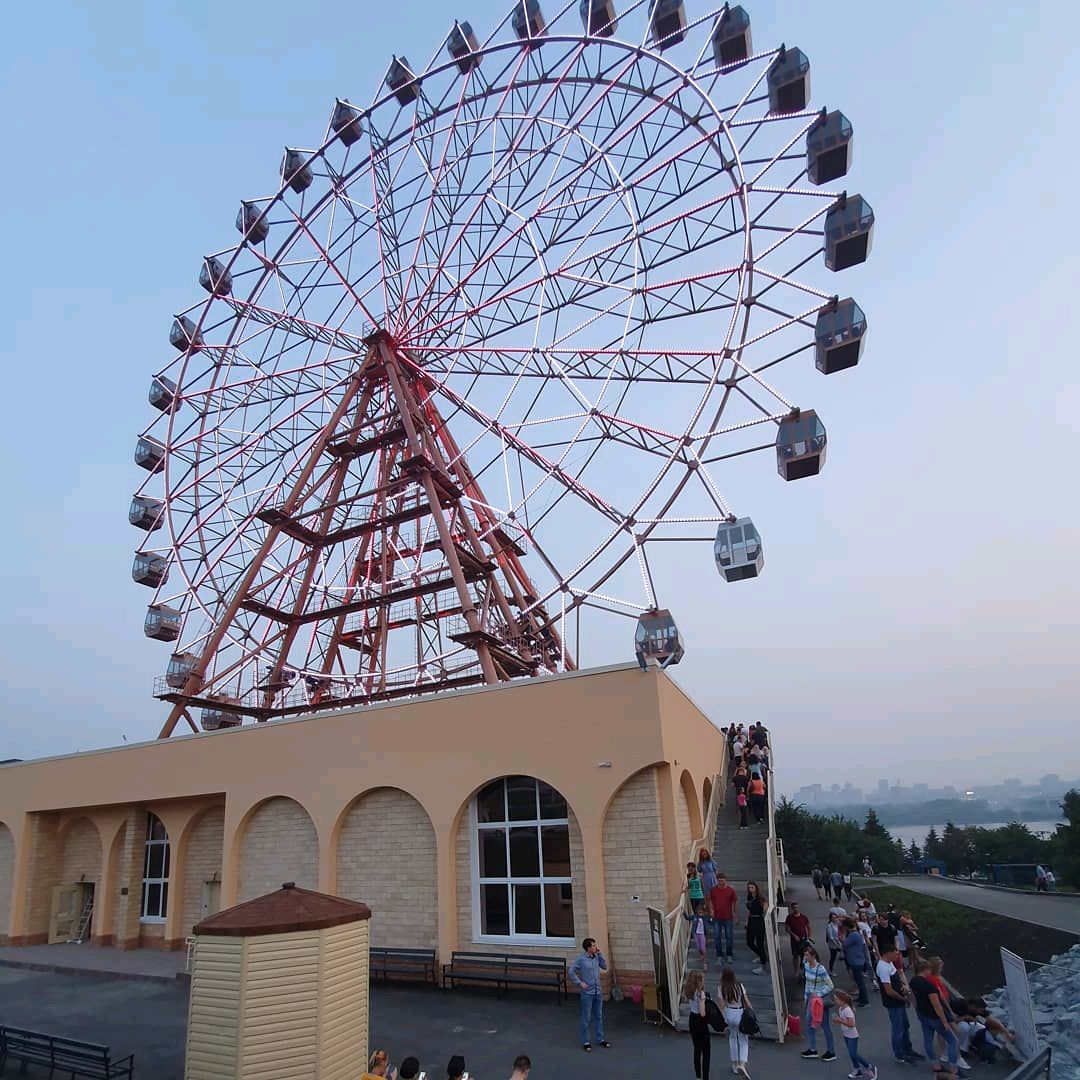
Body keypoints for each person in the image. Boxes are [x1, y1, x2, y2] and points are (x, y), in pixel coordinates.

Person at [910, 959, 959, 1076]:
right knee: (953, 1041)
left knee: (928, 1040)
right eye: (929, 970)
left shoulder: (913, 982)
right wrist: (945, 1022)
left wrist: (917, 1011)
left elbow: (913, 999)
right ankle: (953, 1068)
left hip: (923, 1015)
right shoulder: (929, 987)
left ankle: (935, 1065)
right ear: (925, 970)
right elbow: (937, 1006)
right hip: (935, 1018)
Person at [877, 946, 920, 1064]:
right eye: (895, 953)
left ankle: (908, 1049)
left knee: (905, 1025)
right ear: (888, 953)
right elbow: (889, 990)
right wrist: (904, 999)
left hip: (899, 1002)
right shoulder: (883, 967)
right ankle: (900, 1054)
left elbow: (896, 980)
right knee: (898, 1029)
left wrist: (903, 987)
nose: (897, 956)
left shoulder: (889, 964)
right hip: (893, 1003)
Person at [569, 937, 610, 1051]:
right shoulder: (581, 959)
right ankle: (586, 1041)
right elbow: (571, 971)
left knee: (599, 1016)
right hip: (587, 993)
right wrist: (579, 983)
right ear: (588, 948)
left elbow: (605, 967)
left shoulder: (596, 957)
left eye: (595, 945)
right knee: (586, 1018)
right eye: (593, 945)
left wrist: (600, 953)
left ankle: (600, 1039)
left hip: (598, 992)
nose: (595, 947)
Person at [800, 944, 837, 1061]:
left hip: (819, 1001)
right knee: (809, 1024)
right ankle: (812, 1049)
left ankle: (831, 1051)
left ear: (813, 955)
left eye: (807, 955)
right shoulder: (806, 966)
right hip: (811, 1000)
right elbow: (808, 983)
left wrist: (819, 994)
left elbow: (830, 985)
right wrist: (806, 997)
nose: (805, 957)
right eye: (804, 955)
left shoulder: (820, 969)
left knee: (824, 1025)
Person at [832, 988, 877, 1079]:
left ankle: (869, 1067)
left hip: (852, 1036)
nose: (835, 1001)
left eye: (836, 999)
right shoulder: (841, 1009)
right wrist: (838, 1021)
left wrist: (840, 1020)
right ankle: (857, 1069)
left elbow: (852, 1024)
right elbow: (845, 1021)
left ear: (842, 1000)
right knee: (851, 1053)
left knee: (853, 1054)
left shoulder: (847, 1010)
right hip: (846, 1034)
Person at [720, 965, 751, 1080]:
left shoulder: (722, 988)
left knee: (732, 1038)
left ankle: (734, 1064)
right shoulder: (739, 986)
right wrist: (751, 1011)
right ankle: (742, 1064)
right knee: (743, 1039)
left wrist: (723, 1019)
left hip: (729, 1013)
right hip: (739, 1013)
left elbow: (722, 1005)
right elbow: (746, 1001)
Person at [686, 970, 713, 1080]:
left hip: (692, 1019)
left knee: (697, 1049)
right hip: (700, 1022)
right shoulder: (700, 994)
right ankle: (705, 1077)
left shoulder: (689, 991)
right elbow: (702, 1013)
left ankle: (698, 1076)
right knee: (706, 1050)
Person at [709, 873, 739, 962]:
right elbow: (710, 901)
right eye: (719, 880)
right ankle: (719, 955)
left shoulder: (731, 891)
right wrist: (711, 910)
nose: (721, 882)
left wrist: (736, 916)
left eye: (722, 880)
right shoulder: (713, 890)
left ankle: (729, 954)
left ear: (726, 880)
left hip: (728, 917)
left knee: (729, 937)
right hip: (716, 918)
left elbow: (735, 903)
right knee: (717, 937)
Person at [841, 917, 871, 1006]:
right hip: (858, 960)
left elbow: (844, 944)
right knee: (858, 981)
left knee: (860, 982)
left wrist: (843, 935)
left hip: (856, 961)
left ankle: (864, 1000)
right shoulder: (856, 934)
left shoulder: (853, 935)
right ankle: (861, 998)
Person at [745, 880, 769, 972]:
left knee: (760, 943)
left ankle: (763, 966)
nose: (751, 889)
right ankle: (761, 955)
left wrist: (764, 910)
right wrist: (747, 921)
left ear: (756, 888)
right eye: (749, 887)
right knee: (749, 942)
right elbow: (749, 911)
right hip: (751, 920)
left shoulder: (760, 898)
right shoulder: (750, 897)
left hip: (759, 920)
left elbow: (765, 909)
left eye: (752, 887)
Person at [784, 900, 812, 974]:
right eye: (794, 908)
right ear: (792, 908)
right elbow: (787, 929)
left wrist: (809, 937)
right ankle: (796, 971)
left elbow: (808, 927)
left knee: (806, 955)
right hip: (794, 941)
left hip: (804, 939)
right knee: (795, 955)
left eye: (797, 907)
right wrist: (794, 935)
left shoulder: (804, 917)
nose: (796, 909)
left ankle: (804, 969)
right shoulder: (789, 917)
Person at [685, 902, 709, 971]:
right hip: (696, 934)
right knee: (699, 947)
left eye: (702, 912)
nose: (700, 914)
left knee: (703, 948)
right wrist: (684, 913)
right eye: (699, 912)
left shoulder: (705, 918)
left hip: (702, 934)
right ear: (697, 912)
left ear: (704, 913)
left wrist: (712, 918)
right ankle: (701, 955)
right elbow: (687, 918)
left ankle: (705, 964)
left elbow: (710, 921)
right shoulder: (694, 917)